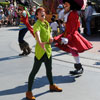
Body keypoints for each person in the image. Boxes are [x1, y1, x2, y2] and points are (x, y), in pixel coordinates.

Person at [26, 7, 62, 100]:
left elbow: (49, 32)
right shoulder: (37, 24)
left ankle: (51, 85)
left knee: (49, 70)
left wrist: (51, 38)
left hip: (48, 51)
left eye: (43, 12)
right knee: (34, 72)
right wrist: (40, 42)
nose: (43, 13)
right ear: (37, 15)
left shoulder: (46, 23)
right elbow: (37, 33)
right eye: (40, 12)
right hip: (40, 52)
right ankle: (29, 92)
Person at [54, 0, 93, 75]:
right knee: (73, 50)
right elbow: (64, 22)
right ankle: (79, 67)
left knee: (73, 50)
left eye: (66, 4)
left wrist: (68, 38)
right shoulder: (68, 13)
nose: (64, 5)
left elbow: (73, 28)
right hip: (68, 33)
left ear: (71, 5)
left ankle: (79, 68)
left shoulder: (73, 14)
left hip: (72, 35)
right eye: (64, 4)